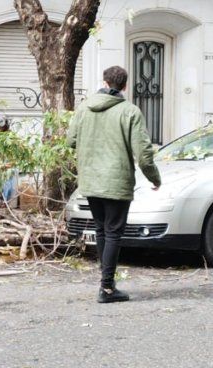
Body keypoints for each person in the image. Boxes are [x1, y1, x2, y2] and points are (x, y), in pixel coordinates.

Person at [67, 65, 161, 303]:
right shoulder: (130, 111)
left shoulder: (84, 109)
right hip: (116, 181)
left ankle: (106, 283)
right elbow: (143, 153)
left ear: (105, 82)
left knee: (101, 230)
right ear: (125, 86)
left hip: (90, 180)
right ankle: (107, 288)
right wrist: (154, 178)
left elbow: (70, 141)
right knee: (113, 233)